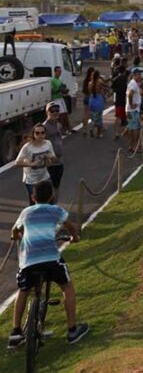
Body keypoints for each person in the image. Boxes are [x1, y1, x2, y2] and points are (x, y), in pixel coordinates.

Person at [7, 181, 89, 349]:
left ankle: (15, 332)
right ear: (51, 196)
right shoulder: (56, 210)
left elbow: (14, 231)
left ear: (33, 197)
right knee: (67, 287)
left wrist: (16, 236)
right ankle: (72, 330)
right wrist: (74, 238)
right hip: (51, 259)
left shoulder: (26, 212)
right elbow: (71, 227)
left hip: (28, 261)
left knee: (23, 290)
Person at [15, 124, 56, 206]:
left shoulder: (48, 144)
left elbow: (53, 159)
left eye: (42, 133)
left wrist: (51, 157)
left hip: (45, 177)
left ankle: (49, 217)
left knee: (50, 201)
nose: (40, 135)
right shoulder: (27, 147)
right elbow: (17, 162)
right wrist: (31, 164)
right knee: (35, 203)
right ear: (33, 134)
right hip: (31, 180)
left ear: (45, 133)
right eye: (37, 133)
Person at [42, 103, 65, 202]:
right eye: (52, 111)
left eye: (57, 110)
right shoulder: (44, 127)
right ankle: (49, 206)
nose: (55, 112)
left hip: (59, 162)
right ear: (47, 112)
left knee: (56, 186)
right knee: (48, 188)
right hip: (49, 164)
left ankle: (55, 206)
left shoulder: (59, 125)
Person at [50, 66, 73, 134]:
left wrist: (65, 91)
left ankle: (68, 128)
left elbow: (62, 89)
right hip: (56, 99)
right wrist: (59, 90)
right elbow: (51, 91)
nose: (59, 73)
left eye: (60, 72)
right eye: (58, 71)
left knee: (65, 113)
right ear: (55, 72)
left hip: (61, 98)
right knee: (61, 114)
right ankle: (60, 129)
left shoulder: (59, 80)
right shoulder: (53, 81)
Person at [126, 69, 143, 154]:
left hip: (130, 110)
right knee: (135, 128)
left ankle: (131, 145)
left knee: (130, 127)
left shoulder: (133, 83)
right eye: (138, 75)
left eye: (140, 74)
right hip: (133, 110)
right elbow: (130, 94)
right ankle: (135, 145)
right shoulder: (133, 84)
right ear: (134, 75)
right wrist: (131, 104)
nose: (140, 76)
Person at [111, 69, 129, 140]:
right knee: (126, 117)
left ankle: (116, 133)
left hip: (118, 100)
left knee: (118, 117)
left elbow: (113, 88)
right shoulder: (126, 79)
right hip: (125, 100)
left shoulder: (116, 79)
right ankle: (125, 132)